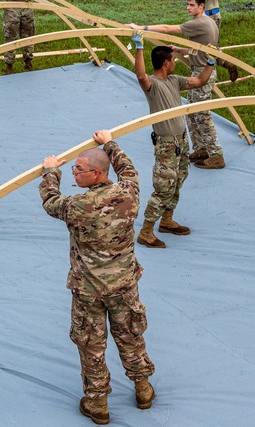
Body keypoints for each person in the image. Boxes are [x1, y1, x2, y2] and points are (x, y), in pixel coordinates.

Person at [40, 131, 155, 425]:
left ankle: (98, 403)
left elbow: (51, 202)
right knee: (130, 335)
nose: (73, 173)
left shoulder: (80, 206)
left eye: (78, 169)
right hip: (124, 285)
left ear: (96, 173)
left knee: (91, 344)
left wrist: (50, 171)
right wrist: (110, 143)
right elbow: (129, 170)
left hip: (89, 290)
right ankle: (143, 389)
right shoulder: (129, 194)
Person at [131, 34, 215, 248]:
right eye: (174, 60)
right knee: (163, 187)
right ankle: (146, 231)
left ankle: (167, 221)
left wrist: (211, 62)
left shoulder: (174, 81)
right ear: (166, 63)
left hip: (182, 141)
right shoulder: (153, 85)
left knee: (178, 180)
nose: (176, 62)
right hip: (167, 144)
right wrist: (139, 48)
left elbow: (200, 81)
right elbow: (141, 76)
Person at [129, 0, 225, 169]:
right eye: (187, 5)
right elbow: (200, 48)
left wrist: (141, 28)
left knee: (202, 115)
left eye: (192, 5)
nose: (188, 8)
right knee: (192, 112)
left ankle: (216, 155)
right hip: (200, 68)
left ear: (202, 6)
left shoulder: (198, 23)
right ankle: (201, 148)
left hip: (202, 71)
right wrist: (181, 49)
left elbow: (167, 29)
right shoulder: (210, 22)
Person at [150, 0, 239, 82]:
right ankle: (222, 65)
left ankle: (206, 75)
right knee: (210, 48)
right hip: (214, 15)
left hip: (208, 18)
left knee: (204, 51)